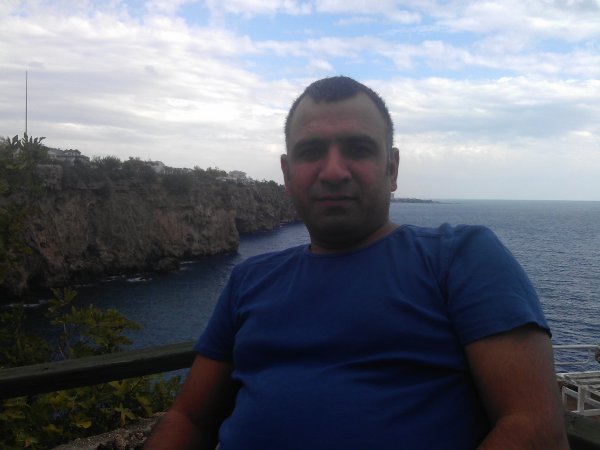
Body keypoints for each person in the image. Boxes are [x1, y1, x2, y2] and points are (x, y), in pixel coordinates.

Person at [144, 76, 568, 449]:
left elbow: (535, 431)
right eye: (311, 151)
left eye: (358, 148)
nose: (333, 171)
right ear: (287, 175)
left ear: (392, 168)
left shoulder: (460, 257)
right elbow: (190, 419)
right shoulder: (249, 280)